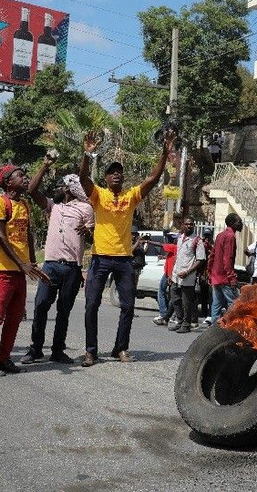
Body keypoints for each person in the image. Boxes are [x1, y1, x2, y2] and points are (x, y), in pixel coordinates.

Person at [79, 128, 175, 366]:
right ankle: (91, 351)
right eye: (112, 173)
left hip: (124, 259)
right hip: (100, 258)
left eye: (119, 172)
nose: (116, 175)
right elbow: (82, 179)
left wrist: (164, 153)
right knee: (92, 304)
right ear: (105, 178)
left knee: (128, 306)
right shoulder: (98, 195)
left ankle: (120, 348)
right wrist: (86, 155)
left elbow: (152, 179)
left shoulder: (131, 196)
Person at [0, 165, 50, 377]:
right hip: (3, 269)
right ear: (8, 182)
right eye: (20, 176)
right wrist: (21, 264)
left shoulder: (25, 204)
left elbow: (27, 235)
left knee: (15, 317)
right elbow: (0, 236)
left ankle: (3, 358)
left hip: (20, 270)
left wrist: (33, 263)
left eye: (26, 175)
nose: (26, 179)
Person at [21, 155, 94, 366]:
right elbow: (32, 190)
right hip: (51, 264)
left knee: (64, 310)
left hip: (72, 267)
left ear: (70, 189)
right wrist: (44, 165)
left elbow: (91, 236)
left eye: (65, 185)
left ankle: (57, 350)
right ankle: (36, 349)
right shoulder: (54, 207)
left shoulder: (86, 208)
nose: (62, 187)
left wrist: (87, 232)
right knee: (41, 304)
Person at [167, 217, 206, 334]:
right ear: (182, 225)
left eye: (191, 224)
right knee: (174, 297)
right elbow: (177, 256)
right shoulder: (179, 238)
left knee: (186, 301)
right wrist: (171, 273)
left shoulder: (197, 241)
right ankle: (179, 320)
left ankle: (186, 324)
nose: (189, 226)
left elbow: (200, 259)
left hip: (188, 275)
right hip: (176, 274)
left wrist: (188, 272)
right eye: (187, 224)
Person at [204, 213, 243, 327]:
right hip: (225, 277)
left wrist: (210, 272)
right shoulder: (230, 237)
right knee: (234, 304)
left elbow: (212, 255)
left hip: (216, 276)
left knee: (216, 305)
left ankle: (214, 329)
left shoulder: (220, 235)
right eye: (239, 222)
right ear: (232, 223)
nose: (241, 224)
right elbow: (227, 258)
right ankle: (234, 327)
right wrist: (231, 277)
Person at [149, 232, 178, 326]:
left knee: (161, 292)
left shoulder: (174, 246)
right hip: (169, 273)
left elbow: (161, 245)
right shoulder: (176, 248)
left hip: (169, 274)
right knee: (171, 295)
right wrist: (164, 257)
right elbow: (172, 257)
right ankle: (170, 316)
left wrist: (148, 241)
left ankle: (163, 314)